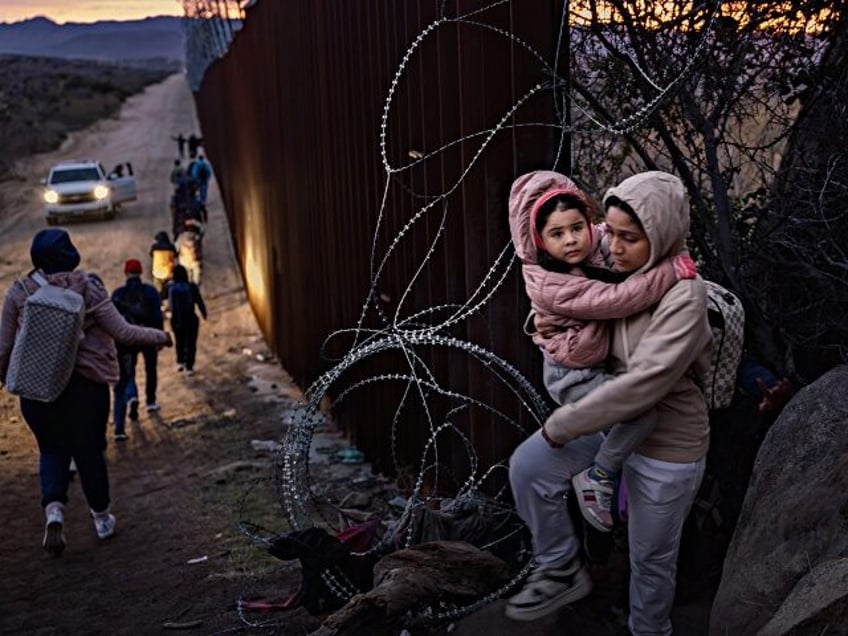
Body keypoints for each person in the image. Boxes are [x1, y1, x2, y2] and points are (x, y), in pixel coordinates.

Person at [506, 172, 712, 635]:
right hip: (610, 426)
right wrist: (553, 329)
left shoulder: (683, 293)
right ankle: (559, 568)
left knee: (650, 562)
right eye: (611, 233)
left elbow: (643, 386)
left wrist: (563, 425)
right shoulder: (611, 268)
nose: (612, 247)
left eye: (628, 237)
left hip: (664, 446)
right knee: (527, 467)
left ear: (659, 235)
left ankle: (649, 630)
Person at [0, 229, 172, 556]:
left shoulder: (19, 292)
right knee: (89, 451)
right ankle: (102, 518)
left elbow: (3, 347)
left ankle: (54, 512)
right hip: (86, 388)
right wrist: (159, 337)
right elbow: (123, 332)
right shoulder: (88, 289)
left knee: (51, 450)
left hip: (37, 389)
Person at [111, 259, 165, 441]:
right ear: (141, 272)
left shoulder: (119, 294)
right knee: (151, 369)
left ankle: (132, 395)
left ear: (126, 273)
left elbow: (113, 321)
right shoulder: (150, 292)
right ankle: (151, 401)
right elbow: (157, 316)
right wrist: (159, 337)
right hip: (148, 337)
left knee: (128, 372)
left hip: (128, 340)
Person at [166, 264, 207, 375]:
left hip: (176, 319)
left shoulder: (170, 287)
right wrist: (204, 313)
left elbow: (162, 299)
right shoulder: (191, 286)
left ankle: (180, 362)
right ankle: (189, 366)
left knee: (179, 341)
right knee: (191, 343)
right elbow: (199, 301)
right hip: (191, 318)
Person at [150, 231, 177, 297]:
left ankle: (159, 301)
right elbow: (176, 255)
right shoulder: (171, 247)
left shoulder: (154, 247)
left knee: (158, 292)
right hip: (168, 273)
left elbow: (151, 255)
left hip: (157, 273)